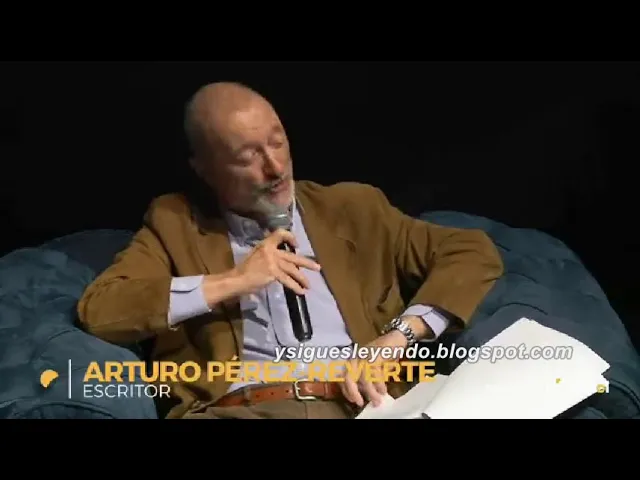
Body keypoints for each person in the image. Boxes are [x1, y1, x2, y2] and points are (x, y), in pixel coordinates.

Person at [77, 81, 504, 419]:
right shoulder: (176, 223)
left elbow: (471, 251)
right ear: (204, 168)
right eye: (247, 156)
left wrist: (397, 338)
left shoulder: (354, 208)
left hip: (360, 407)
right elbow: (101, 310)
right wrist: (232, 281)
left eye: (277, 142)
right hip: (241, 409)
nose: (275, 168)